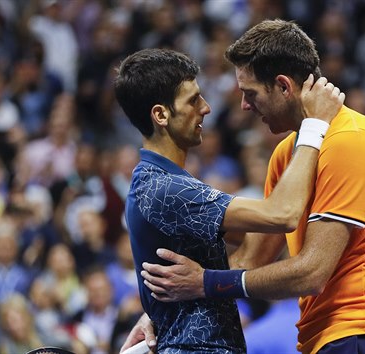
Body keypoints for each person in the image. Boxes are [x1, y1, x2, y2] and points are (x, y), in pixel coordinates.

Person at [127, 19, 365, 354]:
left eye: (250, 94)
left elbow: (311, 273)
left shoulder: (349, 140)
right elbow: (249, 259)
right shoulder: (288, 155)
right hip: (326, 338)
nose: (244, 107)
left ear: (283, 86)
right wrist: (166, 314)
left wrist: (205, 283)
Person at [114, 47, 343, 353]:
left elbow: (250, 249)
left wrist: (156, 312)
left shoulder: (168, 184)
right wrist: (315, 125)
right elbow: (283, 214)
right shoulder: (165, 189)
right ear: (161, 114)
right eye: (193, 100)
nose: (206, 108)